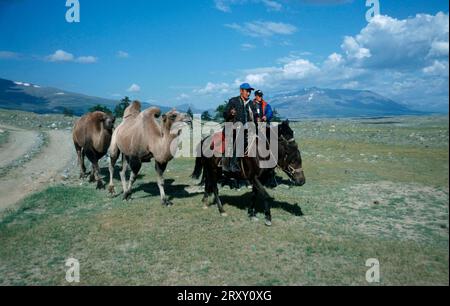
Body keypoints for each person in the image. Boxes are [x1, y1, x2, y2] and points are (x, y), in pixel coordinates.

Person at [222, 83, 255, 173]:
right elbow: (224, 114)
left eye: (249, 92)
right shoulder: (233, 101)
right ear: (241, 91)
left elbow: (254, 116)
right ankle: (233, 164)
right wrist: (230, 113)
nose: (248, 93)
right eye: (247, 91)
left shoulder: (251, 104)